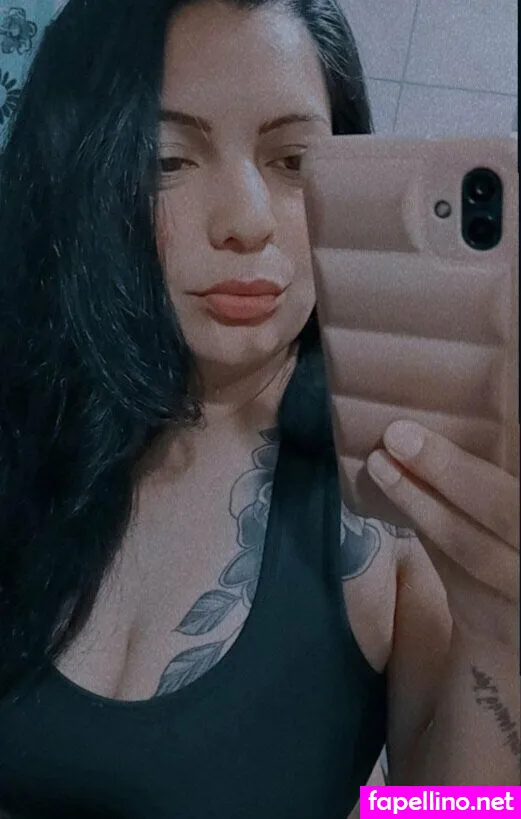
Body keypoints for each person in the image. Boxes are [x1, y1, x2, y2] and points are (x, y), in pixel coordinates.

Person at [0, 0, 518, 816]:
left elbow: (445, 809)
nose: (246, 221)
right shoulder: (22, 426)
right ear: (78, 172)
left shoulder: (398, 496)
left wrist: (497, 638)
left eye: (293, 160)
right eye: (170, 159)